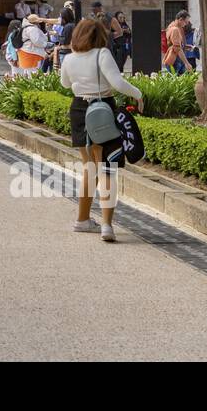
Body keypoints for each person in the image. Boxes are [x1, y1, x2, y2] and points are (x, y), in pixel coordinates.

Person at [60, 18, 143, 243]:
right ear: (100, 36)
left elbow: (65, 84)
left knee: (89, 167)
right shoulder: (102, 54)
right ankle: (107, 225)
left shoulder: (68, 58)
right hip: (103, 109)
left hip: (79, 109)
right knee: (108, 168)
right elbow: (117, 83)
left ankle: (82, 220)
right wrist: (138, 94)